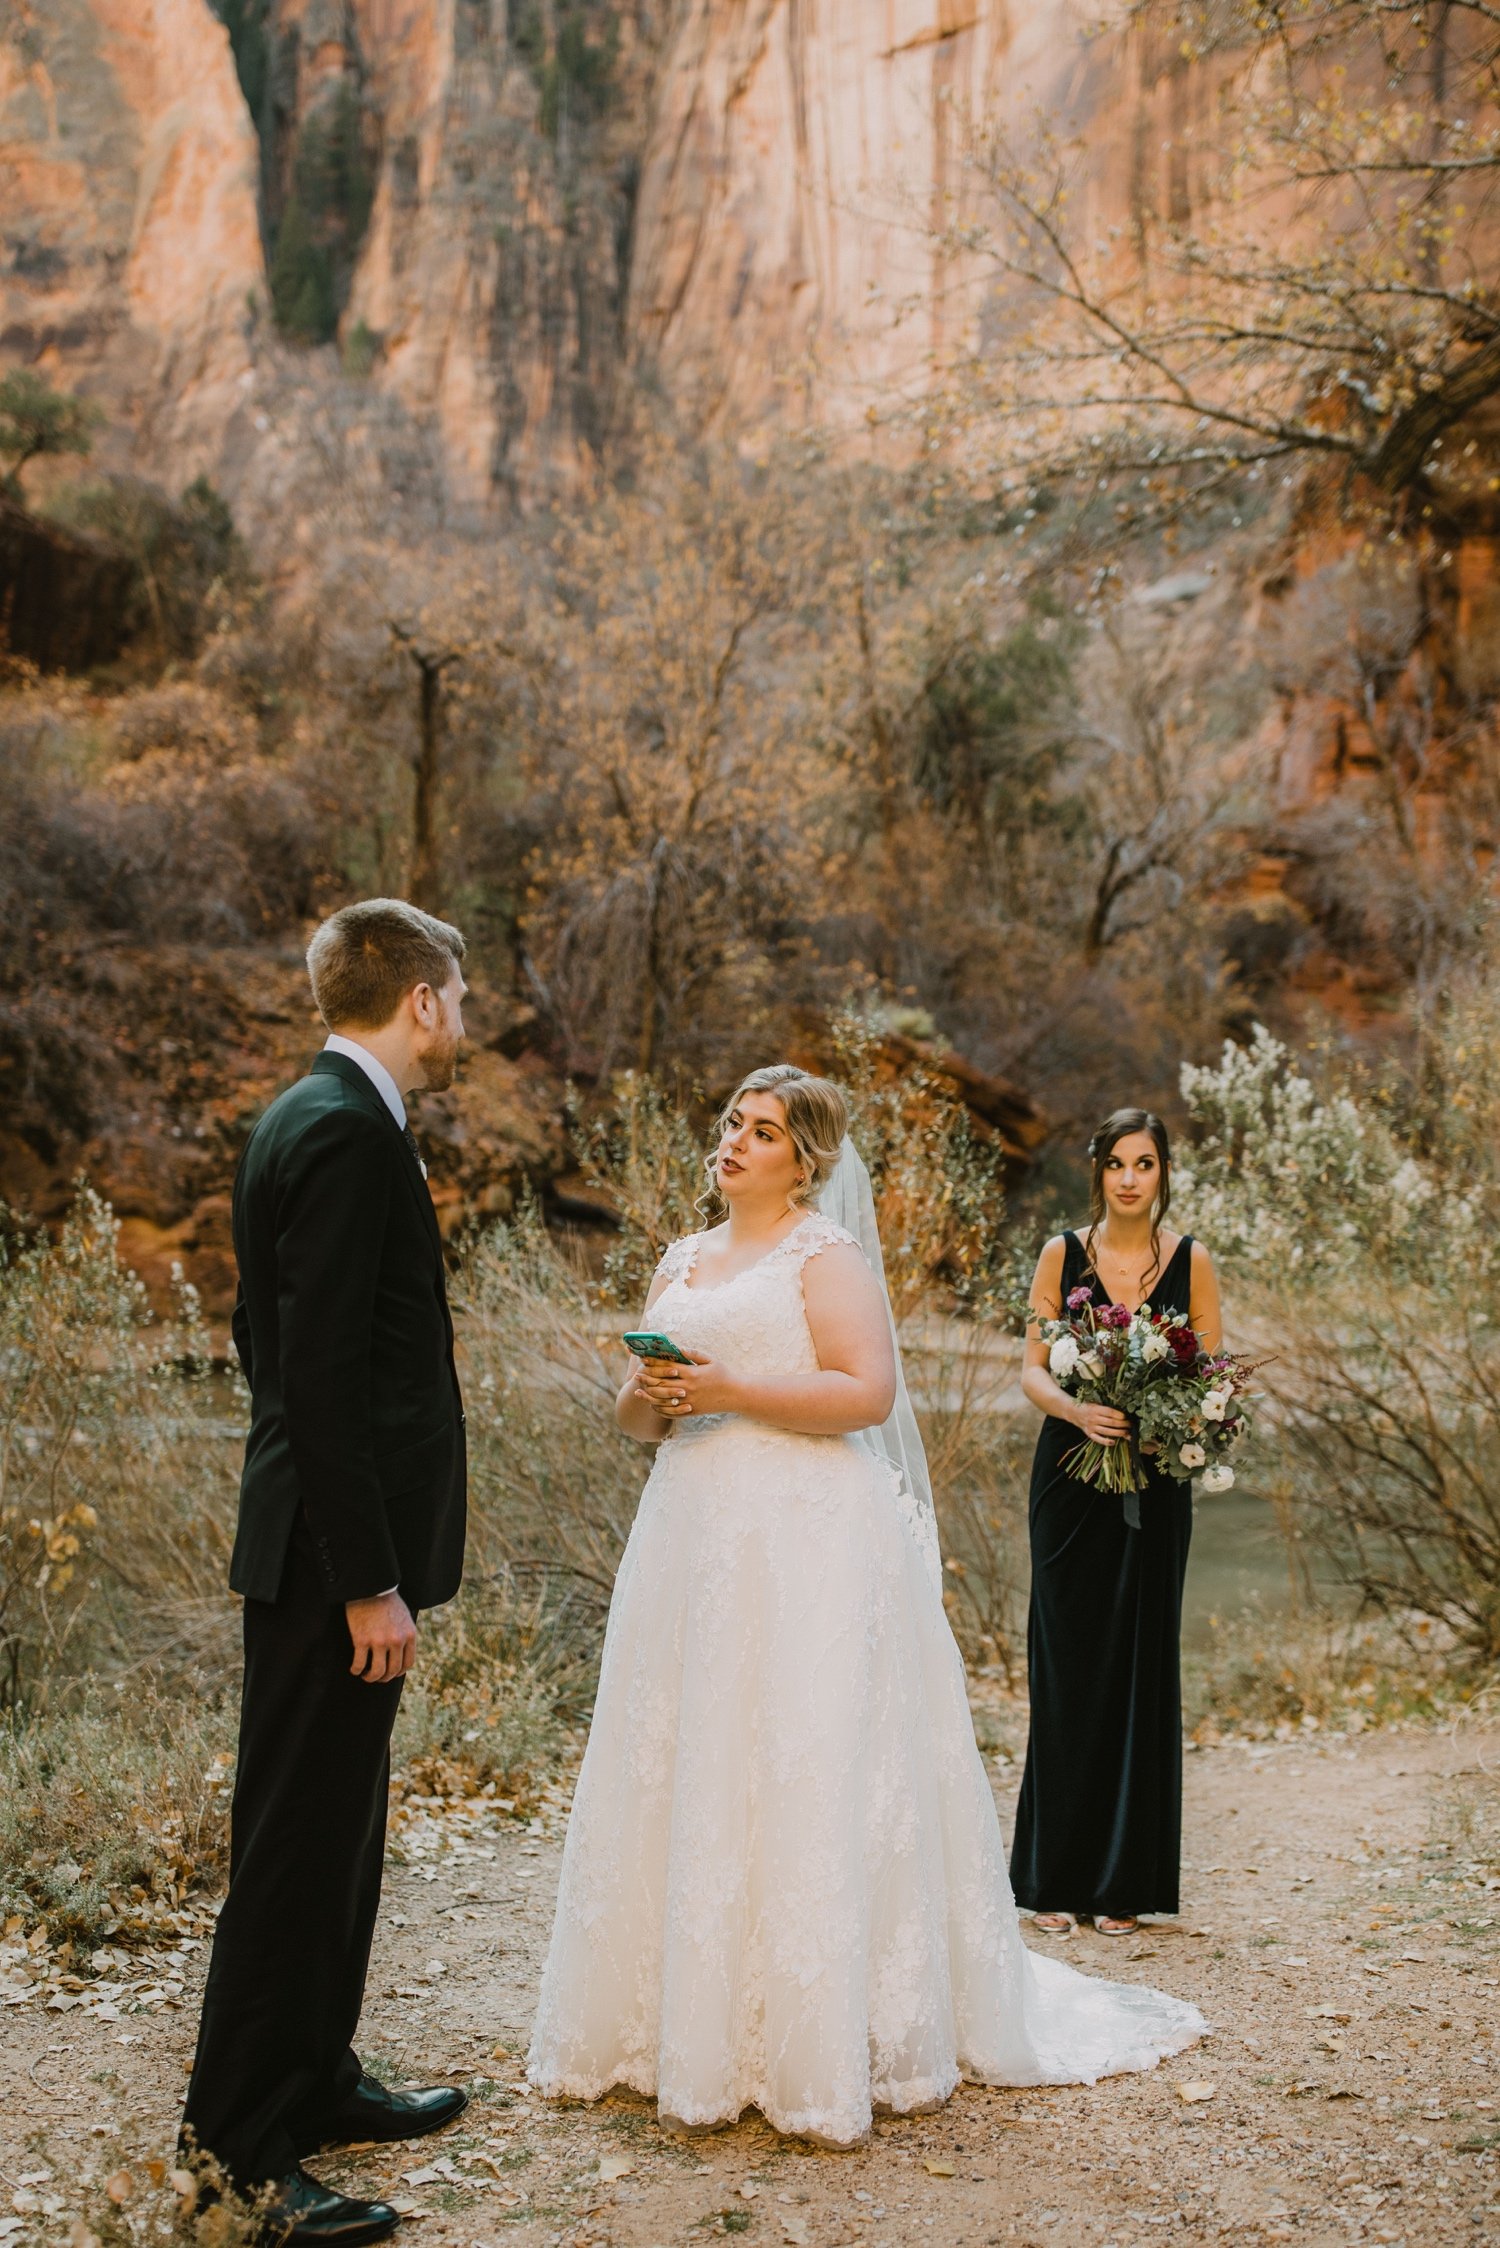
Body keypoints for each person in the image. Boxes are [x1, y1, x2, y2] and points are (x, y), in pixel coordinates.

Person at [526, 1065, 1206, 2147]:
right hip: (692, 1533)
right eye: (730, 1124)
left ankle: (821, 2031)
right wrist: (650, 1391)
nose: (734, 1143)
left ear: (805, 1159)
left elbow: (867, 1393)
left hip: (805, 1536)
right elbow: (640, 1423)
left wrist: (730, 1390)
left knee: (803, 1758)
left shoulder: (823, 1255)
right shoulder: (683, 1257)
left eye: (760, 1131)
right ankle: (677, 2026)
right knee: (695, 1756)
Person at [182, 900, 472, 2245]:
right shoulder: (348, 1135)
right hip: (326, 1565)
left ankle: (315, 2079)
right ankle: (238, 2155)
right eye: (458, 998)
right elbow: (325, 1385)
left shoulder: (305, 1114)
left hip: (315, 1543)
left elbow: (265, 1338)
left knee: (341, 1832)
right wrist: (366, 1574)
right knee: (297, 1845)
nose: (462, 1023)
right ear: (422, 1000)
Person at [1010, 1108, 1223, 1939]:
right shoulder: (1061, 1255)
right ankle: (1056, 1877)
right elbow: (1031, 1370)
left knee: (1140, 1668)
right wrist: (1080, 1411)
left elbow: (1208, 1376)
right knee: (1068, 1667)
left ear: (1164, 1172)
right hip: (1070, 1476)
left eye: (1146, 1163)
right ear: (1096, 1172)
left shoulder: (1194, 1262)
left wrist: (1167, 1416)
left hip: (1158, 1484)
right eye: (1116, 1164)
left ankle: (1123, 1883)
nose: (1131, 1178)